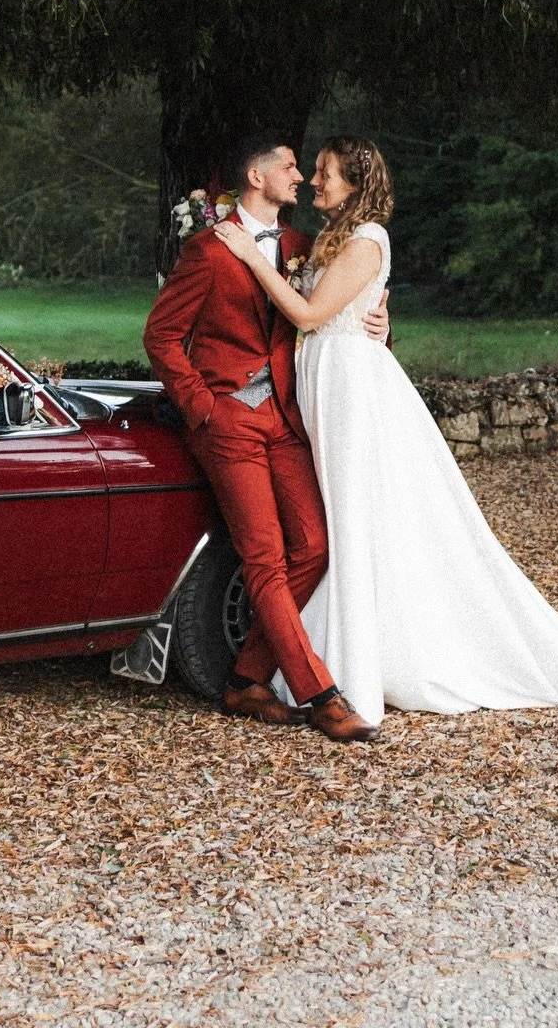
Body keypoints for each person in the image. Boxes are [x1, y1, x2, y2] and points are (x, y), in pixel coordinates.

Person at [214, 136, 558, 728]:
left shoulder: (369, 240)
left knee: (353, 520)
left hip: (352, 395)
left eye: (325, 173)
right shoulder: (327, 240)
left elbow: (312, 316)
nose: (315, 182)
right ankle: (326, 657)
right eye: (311, 172)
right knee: (339, 527)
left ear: (356, 183)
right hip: (323, 388)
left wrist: (252, 257)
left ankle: (353, 666)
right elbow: (331, 308)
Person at [143, 132, 389, 742]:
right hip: (227, 421)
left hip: (285, 417)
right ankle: (321, 694)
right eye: (289, 166)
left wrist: (383, 324)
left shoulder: (306, 246)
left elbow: (338, 306)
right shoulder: (207, 250)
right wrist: (205, 410)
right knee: (264, 558)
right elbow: (161, 337)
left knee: (313, 545)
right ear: (257, 177)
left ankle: (248, 679)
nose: (302, 176)